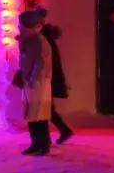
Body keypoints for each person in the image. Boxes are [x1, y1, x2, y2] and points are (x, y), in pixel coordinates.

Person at [12, 10, 53, 156]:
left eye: (21, 25)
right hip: (30, 81)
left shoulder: (39, 41)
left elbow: (41, 63)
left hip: (37, 82)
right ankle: (36, 143)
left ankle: (42, 144)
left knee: (38, 114)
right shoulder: (29, 40)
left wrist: (32, 79)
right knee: (32, 113)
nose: (19, 27)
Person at [38, 8, 74, 144]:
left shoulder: (44, 37)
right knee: (46, 107)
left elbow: (47, 61)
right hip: (47, 78)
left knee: (44, 108)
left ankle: (50, 136)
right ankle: (63, 131)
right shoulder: (45, 36)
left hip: (45, 78)